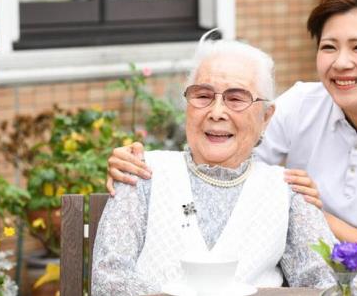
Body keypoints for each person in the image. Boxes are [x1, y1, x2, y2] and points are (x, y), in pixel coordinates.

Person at [107, 0, 357, 295]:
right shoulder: (299, 105)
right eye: (329, 47)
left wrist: (310, 212)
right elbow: (225, 156)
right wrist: (137, 163)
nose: (341, 62)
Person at [91, 38, 338, 296]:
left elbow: (328, 281)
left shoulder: (287, 191)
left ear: (265, 117)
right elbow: (109, 280)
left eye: (236, 98)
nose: (217, 112)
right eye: (203, 96)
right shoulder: (142, 171)